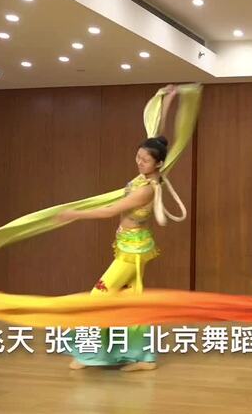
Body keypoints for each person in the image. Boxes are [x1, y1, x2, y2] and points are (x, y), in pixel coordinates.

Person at [56, 84, 178, 371]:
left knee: (99, 297)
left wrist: (75, 213)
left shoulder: (147, 189)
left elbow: (111, 210)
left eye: (145, 160)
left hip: (132, 252)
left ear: (158, 163)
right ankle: (142, 359)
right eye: (138, 157)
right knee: (131, 303)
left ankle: (88, 354)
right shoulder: (149, 171)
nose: (139, 162)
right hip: (131, 246)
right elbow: (157, 135)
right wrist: (166, 100)